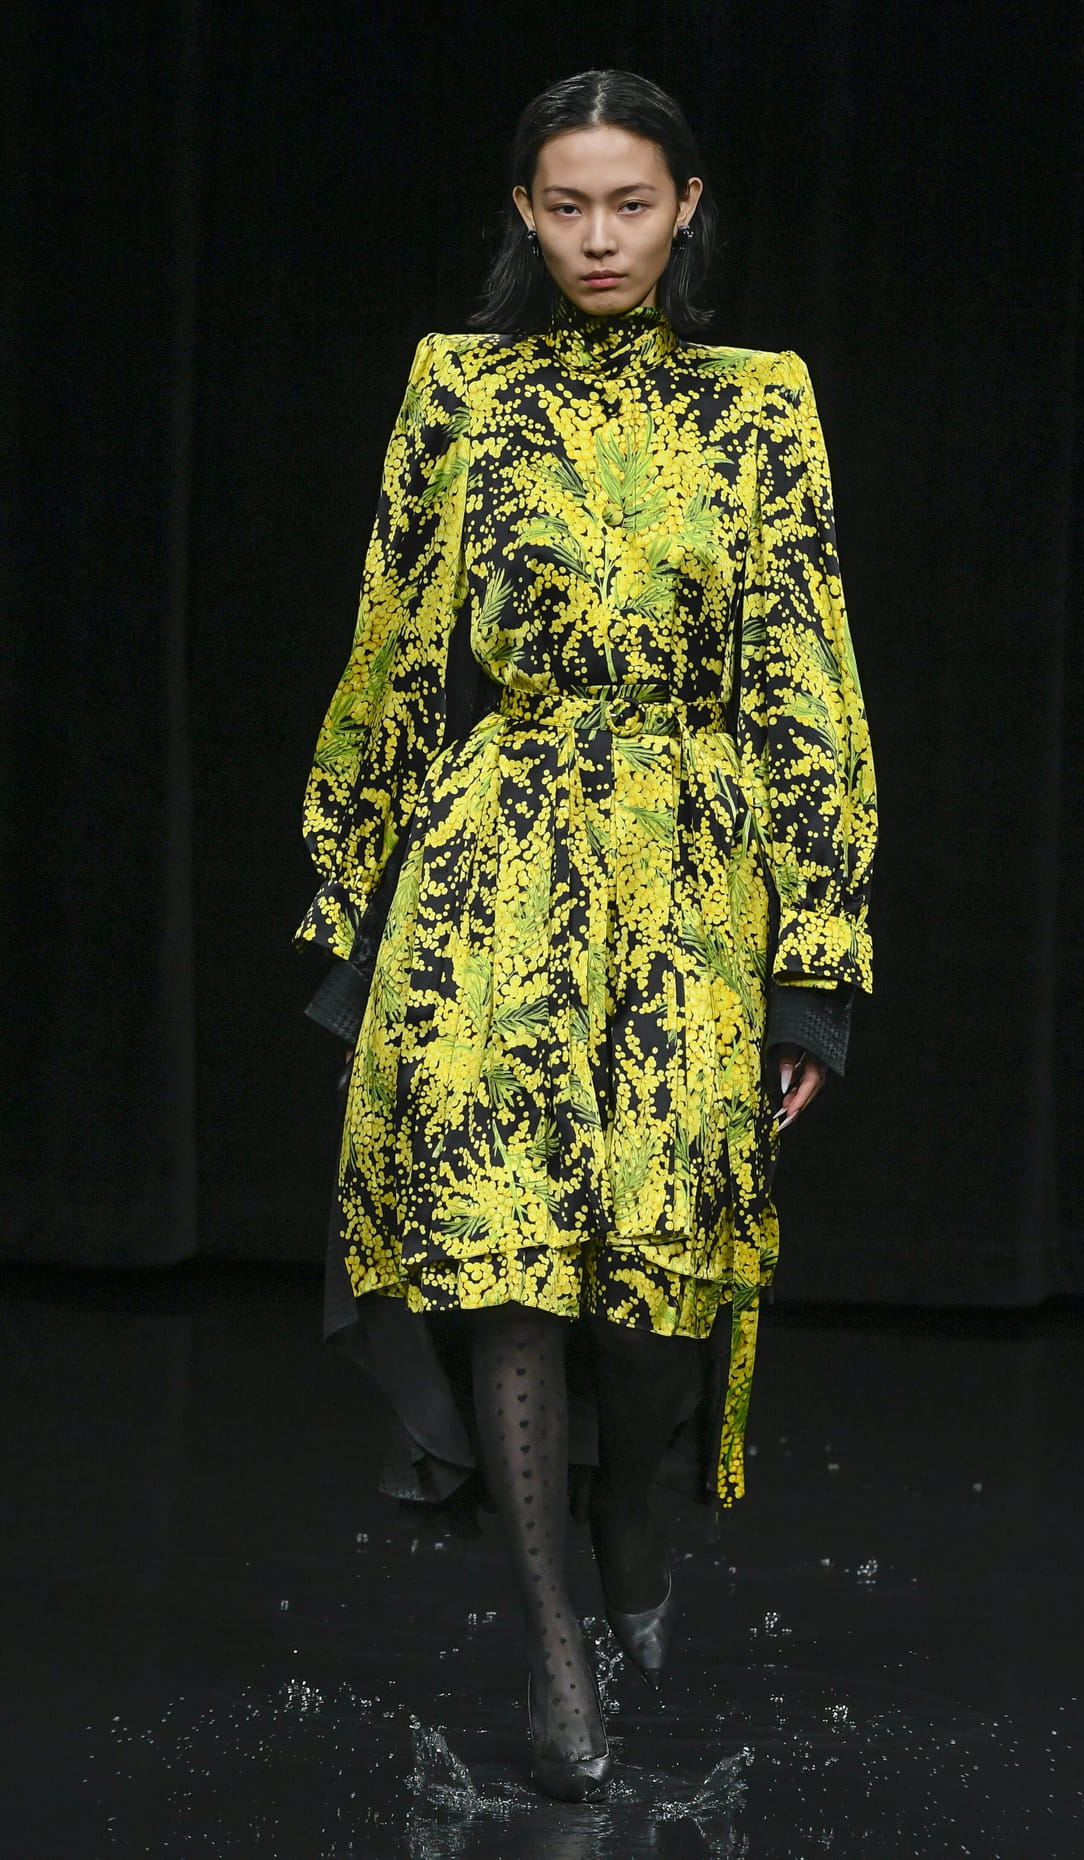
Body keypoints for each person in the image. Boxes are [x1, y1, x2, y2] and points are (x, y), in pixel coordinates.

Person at [292, 68, 877, 1802]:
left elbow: (808, 677)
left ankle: (635, 1514)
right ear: (525, 214)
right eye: (567, 206)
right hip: (497, 863)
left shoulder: (761, 404)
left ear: (686, 206)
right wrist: (354, 902)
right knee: (505, 1258)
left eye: (631, 204)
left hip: (692, 873)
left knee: (655, 1286)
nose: (599, 238)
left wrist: (816, 970)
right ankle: (556, 1657)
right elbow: (396, 639)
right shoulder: (459, 389)